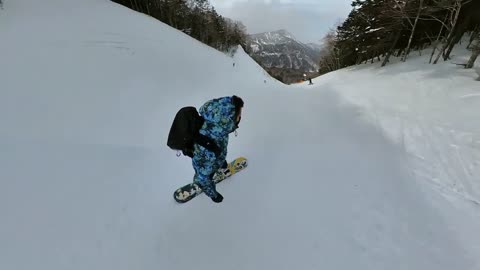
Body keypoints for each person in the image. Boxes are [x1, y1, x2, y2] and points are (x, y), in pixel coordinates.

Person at [192, 95, 244, 203]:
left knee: (216, 156)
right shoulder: (207, 149)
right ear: (228, 118)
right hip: (207, 160)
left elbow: (218, 146)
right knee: (204, 177)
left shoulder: (217, 124)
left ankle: (220, 164)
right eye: (239, 115)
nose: (240, 118)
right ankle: (205, 186)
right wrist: (214, 195)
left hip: (214, 153)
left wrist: (220, 160)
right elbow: (203, 177)